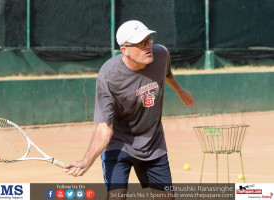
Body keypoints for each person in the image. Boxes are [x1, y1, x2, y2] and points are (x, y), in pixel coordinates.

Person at [63, 20, 195, 199]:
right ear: (124, 49)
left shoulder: (160, 54)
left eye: (148, 40)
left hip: (153, 144)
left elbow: (167, 72)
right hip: (120, 144)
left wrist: (180, 90)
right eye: (141, 43)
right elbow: (104, 128)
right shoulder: (108, 77)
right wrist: (87, 161)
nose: (148, 46)